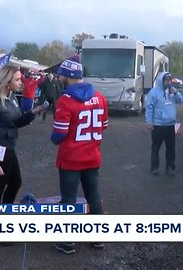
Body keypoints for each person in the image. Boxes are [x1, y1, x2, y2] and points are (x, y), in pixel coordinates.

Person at [50, 55, 108, 254]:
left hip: (71, 159)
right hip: (92, 156)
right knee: (93, 195)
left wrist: (55, 137)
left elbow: (59, 134)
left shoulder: (64, 101)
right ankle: (98, 238)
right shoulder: (99, 97)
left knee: (68, 200)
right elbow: (104, 126)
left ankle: (67, 242)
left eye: (61, 76)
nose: (58, 79)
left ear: (67, 76)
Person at [0, 65, 45, 205]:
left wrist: (32, 113)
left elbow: (16, 122)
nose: (21, 82)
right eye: (17, 80)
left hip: (8, 147)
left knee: (15, 182)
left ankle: (6, 211)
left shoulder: (12, 98)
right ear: (6, 82)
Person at [145, 72, 183, 176]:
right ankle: (154, 167)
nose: (169, 82)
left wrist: (175, 92)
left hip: (171, 125)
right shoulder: (153, 92)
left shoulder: (172, 92)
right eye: (166, 80)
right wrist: (149, 122)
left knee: (171, 148)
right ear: (161, 80)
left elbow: (180, 101)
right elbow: (149, 108)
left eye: (170, 80)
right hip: (158, 125)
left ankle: (170, 167)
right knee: (155, 148)